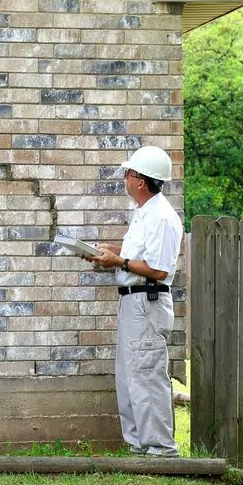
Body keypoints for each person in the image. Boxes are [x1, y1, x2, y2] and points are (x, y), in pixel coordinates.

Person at [85, 146, 183, 457]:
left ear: (140, 181)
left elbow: (158, 268)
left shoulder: (163, 218)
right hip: (133, 303)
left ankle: (161, 448)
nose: (125, 178)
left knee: (147, 372)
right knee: (130, 374)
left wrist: (119, 261)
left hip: (147, 302)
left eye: (128, 174)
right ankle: (140, 445)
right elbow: (137, 255)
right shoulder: (144, 213)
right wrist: (109, 253)